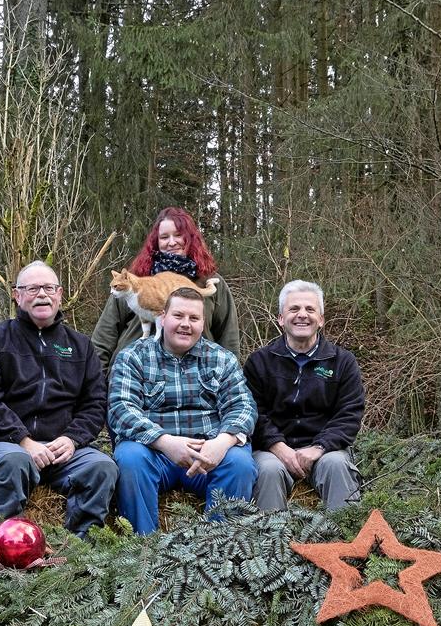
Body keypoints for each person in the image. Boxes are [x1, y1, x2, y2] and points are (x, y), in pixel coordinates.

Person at [0, 261, 116, 539]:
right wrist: (24, 441)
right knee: (12, 461)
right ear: (17, 295)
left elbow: (95, 403)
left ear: (59, 294)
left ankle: (80, 551)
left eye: (48, 288)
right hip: (2, 447)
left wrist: (72, 439)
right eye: (32, 288)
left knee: (102, 467)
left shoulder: (81, 346)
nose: (42, 295)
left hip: (62, 455)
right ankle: (7, 547)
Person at [108, 287, 257, 534]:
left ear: (203, 322)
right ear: (163, 317)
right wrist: (165, 442)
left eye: (194, 318)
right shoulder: (133, 356)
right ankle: (142, 550)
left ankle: (218, 550)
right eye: (178, 316)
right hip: (153, 453)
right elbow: (120, 409)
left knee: (240, 462)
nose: (185, 324)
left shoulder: (222, 359)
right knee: (130, 457)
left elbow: (242, 406)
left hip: (207, 455)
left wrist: (221, 443)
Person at [243, 280, 364, 511]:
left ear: (321, 320)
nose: (302, 315)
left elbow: (349, 414)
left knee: (338, 465)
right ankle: (270, 543)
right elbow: (252, 412)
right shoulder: (259, 362)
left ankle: (347, 544)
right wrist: (279, 447)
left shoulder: (342, 362)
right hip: (272, 451)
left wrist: (319, 447)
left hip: (326, 451)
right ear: (280, 318)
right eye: (294, 309)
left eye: (310, 309)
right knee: (267, 471)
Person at [93, 207, 240, 372]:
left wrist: (228, 380)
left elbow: (229, 339)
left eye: (178, 235)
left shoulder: (209, 282)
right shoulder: (133, 280)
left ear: (190, 238)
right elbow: (103, 338)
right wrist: (99, 388)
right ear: (156, 242)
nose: (171, 242)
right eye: (164, 237)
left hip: (197, 382)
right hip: (132, 377)